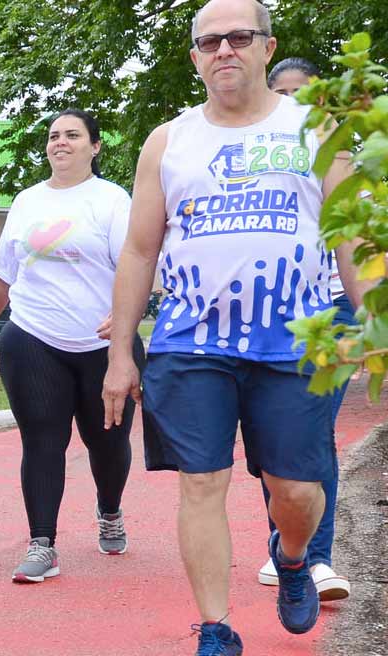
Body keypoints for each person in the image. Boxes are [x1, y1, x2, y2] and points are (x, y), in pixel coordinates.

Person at [101, 1, 375, 653]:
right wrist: (120, 354)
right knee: (201, 480)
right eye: (209, 41)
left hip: (297, 340)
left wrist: (372, 325)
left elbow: (349, 236)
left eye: (238, 37)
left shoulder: (317, 128)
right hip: (192, 341)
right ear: (194, 56)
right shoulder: (168, 142)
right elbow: (140, 251)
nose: (224, 50)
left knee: (297, 489)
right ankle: (216, 628)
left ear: (266, 46)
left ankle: (292, 555)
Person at [0, 109, 143, 584]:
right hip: (33, 338)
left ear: (94, 147)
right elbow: (3, 275)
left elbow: (137, 263)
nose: (61, 143)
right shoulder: (27, 201)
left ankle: (109, 510)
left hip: (102, 345)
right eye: (54, 136)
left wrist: (127, 321)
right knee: (42, 441)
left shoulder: (112, 200)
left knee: (107, 443)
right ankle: (42, 543)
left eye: (73, 135)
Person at [254, 56, 350, 601]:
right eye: (282, 92)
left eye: (304, 94)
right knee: (275, 439)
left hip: (333, 313)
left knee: (313, 434)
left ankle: (314, 559)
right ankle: (283, 541)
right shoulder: (259, 162)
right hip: (274, 314)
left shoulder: (345, 161)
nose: (293, 103)